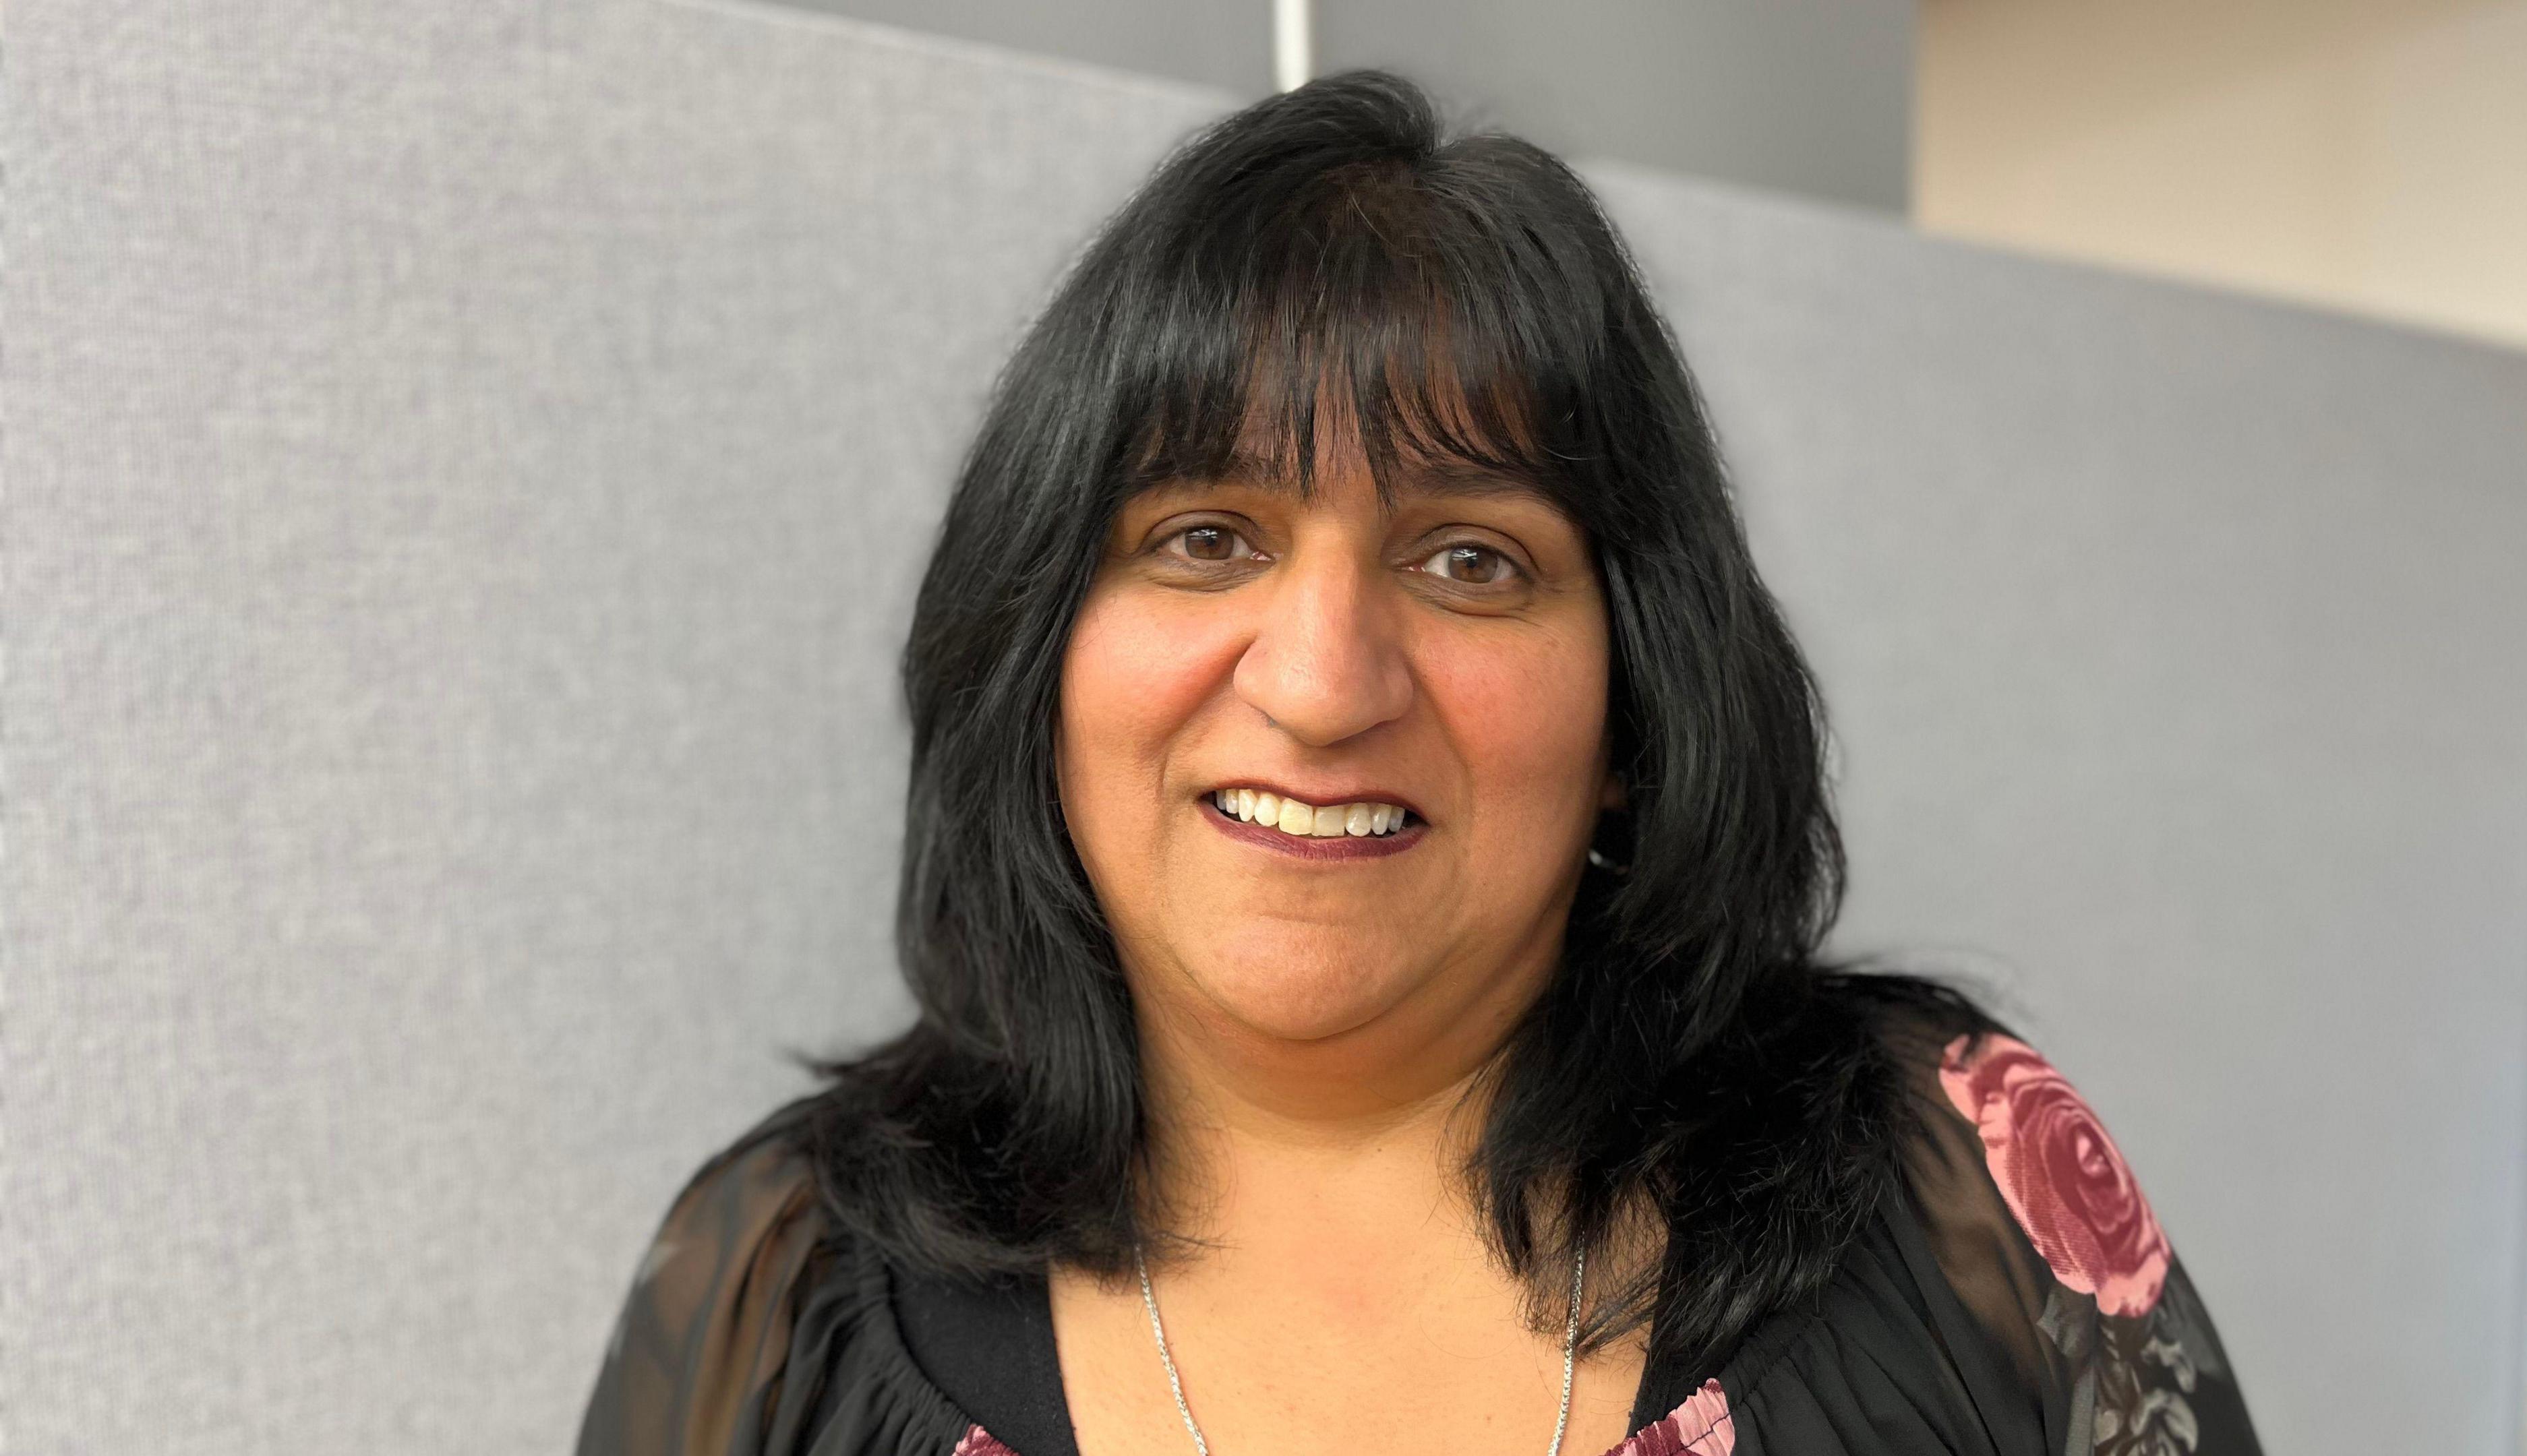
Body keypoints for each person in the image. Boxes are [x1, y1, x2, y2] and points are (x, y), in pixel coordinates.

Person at [574, 70, 2265, 1456]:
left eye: (1471, 560)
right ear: (1039, 654)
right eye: (1207, 535)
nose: (1319, 687)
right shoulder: (770, 1286)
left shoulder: (1964, 1184)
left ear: (1634, 711)